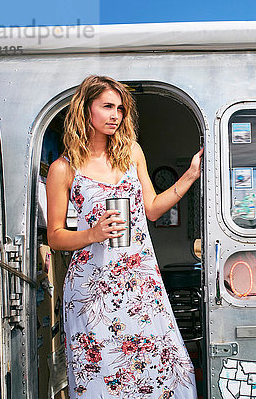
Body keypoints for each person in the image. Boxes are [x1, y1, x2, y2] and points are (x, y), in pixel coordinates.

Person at [46, 75, 201, 398]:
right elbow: (56, 236)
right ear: (85, 110)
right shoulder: (63, 168)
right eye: (106, 106)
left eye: (120, 108)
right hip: (91, 291)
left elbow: (154, 209)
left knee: (163, 367)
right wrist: (92, 233)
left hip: (139, 284)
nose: (115, 115)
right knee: (100, 374)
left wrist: (190, 175)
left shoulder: (132, 152)